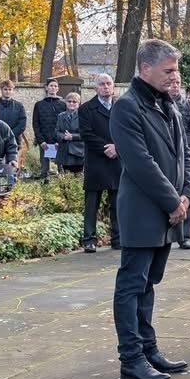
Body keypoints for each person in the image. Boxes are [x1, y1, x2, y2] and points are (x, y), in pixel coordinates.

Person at [109, 39, 190, 379]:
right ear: (145, 69)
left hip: (169, 211)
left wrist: (187, 195)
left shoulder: (168, 105)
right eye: (169, 70)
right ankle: (131, 358)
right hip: (144, 211)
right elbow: (140, 163)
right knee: (132, 285)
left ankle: (149, 348)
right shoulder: (127, 108)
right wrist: (172, 202)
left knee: (149, 284)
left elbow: (184, 154)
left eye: (176, 69)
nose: (175, 76)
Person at [79, 74, 120, 253]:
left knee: (117, 202)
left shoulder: (121, 107)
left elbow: (130, 130)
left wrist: (117, 147)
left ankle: (118, 238)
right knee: (92, 203)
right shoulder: (87, 109)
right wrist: (107, 148)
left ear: (113, 86)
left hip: (117, 161)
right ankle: (89, 239)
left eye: (108, 84)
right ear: (96, 88)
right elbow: (86, 134)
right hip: (96, 160)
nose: (105, 87)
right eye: (102, 84)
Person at [168, 74, 190, 250]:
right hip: (167, 157)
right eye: (172, 82)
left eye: (178, 83)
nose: (174, 86)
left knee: (188, 193)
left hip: (186, 155)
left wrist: (179, 146)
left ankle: (185, 236)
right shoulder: (161, 104)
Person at [0, 80, 27, 182]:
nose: (7, 92)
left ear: (13, 91)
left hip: (14, 141)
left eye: (10, 89)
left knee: (12, 165)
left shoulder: (19, 106)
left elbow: (22, 124)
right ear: (1, 90)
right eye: (5, 89)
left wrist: (10, 135)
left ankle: (11, 188)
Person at [33, 78, 67, 181]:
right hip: (44, 141)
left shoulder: (63, 104)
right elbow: (36, 123)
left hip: (59, 141)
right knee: (44, 171)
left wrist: (60, 140)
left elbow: (66, 123)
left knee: (61, 169)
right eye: (51, 85)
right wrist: (41, 141)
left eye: (55, 86)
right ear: (46, 88)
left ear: (58, 88)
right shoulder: (39, 105)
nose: (53, 88)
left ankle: (63, 191)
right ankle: (44, 190)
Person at [54, 93, 86, 175]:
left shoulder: (83, 116)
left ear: (79, 103)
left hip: (78, 152)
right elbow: (56, 132)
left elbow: (86, 133)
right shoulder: (61, 116)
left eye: (74, 102)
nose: (71, 103)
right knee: (64, 180)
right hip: (64, 151)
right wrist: (64, 137)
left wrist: (72, 137)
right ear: (66, 102)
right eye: (69, 101)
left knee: (77, 178)